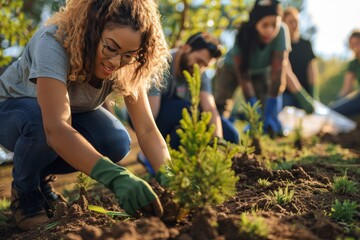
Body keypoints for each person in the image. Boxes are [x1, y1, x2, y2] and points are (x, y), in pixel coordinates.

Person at [0, 0, 171, 231]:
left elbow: (147, 130)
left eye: (129, 54)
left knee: (116, 140)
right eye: (110, 48)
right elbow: (57, 128)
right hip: (12, 112)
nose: (115, 62)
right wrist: (116, 177)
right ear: (91, 31)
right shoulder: (53, 43)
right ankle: (25, 191)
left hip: (61, 120)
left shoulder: (126, 64)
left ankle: (40, 178)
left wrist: (171, 178)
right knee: (40, 125)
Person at [148, 32, 239, 150]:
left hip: (182, 117)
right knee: (185, 111)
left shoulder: (201, 73)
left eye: (205, 65)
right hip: (151, 114)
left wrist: (217, 140)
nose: (199, 68)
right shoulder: (160, 64)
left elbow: (209, 108)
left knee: (231, 134)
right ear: (185, 48)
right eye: (198, 60)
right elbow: (150, 116)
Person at [215, 0, 290, 137]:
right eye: (265, 25)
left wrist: (272, 102)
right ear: (255, 23)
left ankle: (264, 128)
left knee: (264, 107)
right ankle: (218, 128)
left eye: (274, 25)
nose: (270, 30)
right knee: (221, 100)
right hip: (233, 68)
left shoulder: (282, 32)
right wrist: (251, 101)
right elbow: (242, 73)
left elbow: (278, 71)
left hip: (259, 71)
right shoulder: (243, 33)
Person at [282, 6, 318, 113]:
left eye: (296, 21)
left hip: (306, 92)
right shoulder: (281, 46)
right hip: (288, 94)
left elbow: (311, 70)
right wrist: (301, 97)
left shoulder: (306, 44)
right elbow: (287, 71)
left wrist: (313, 95)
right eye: (290, 22)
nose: (294, 25)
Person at [329, 29, 360, 116]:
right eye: (352, 44)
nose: (356, 47)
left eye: (357, 43)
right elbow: (346, 89)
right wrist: (336, 102)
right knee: (332, 110)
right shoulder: (353, 64)